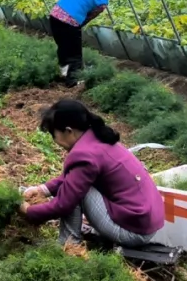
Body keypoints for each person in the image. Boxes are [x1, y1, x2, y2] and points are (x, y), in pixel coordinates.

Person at [19, 100, 164, 247]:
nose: (54, 140)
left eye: (53, 133)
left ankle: (69, 245)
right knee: (74, 186)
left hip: (132, 232)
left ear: (68, 131)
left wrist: (29, 210)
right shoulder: (97, 137)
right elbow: (73, 176)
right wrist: (42, 190)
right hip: (144, 223)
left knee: (73, 192)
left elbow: (63, 204)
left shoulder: (84, 154)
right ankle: (70, 241)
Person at [50, 0, 126, 86]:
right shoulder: (102, 3)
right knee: (75, 54)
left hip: (54, 15)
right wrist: (76, 28)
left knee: (63, 47)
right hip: (70, 22)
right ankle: (72, 82)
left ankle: (64, 73)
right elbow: (87, 18)